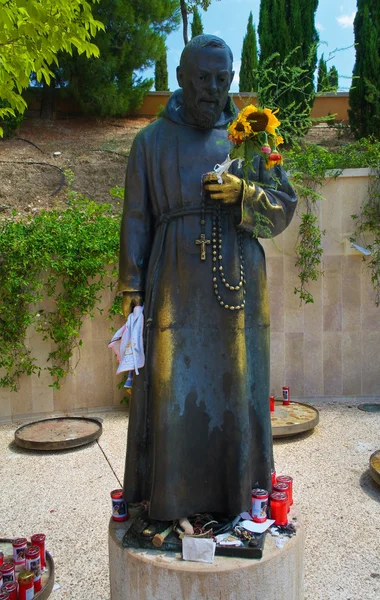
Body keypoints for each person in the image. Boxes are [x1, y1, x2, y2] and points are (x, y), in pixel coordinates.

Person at [118, 34, 296, 533]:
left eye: (222, 79)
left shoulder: (254, 139)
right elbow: (136, 217)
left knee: (237, 384)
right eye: (203, 78)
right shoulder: (149, 142)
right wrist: (132, 288)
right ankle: (170, 500)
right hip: (173, 282)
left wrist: (245, 192)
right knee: (172, 386)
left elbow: (283, 208)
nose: (212, 89)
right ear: (180, 78)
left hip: (238, 287)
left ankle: (241, 498)